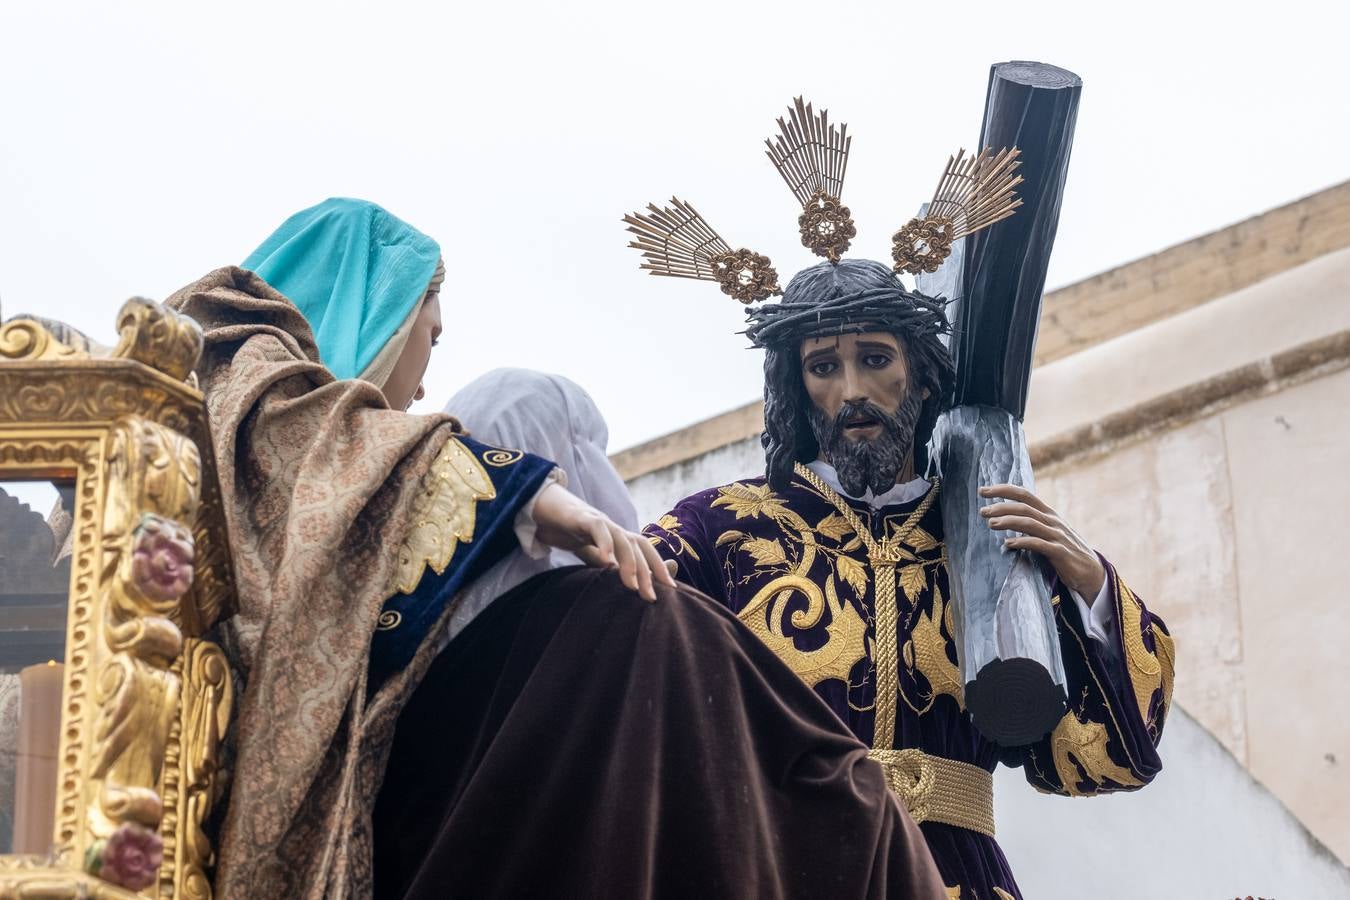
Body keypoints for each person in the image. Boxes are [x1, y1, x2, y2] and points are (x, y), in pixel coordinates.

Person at [169, 200, 947, 899]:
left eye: (875, 359)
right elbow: (645, 593)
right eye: (427, 338)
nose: (416, 391)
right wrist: (526, 493)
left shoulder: (966, 532)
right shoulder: (235, 376)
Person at [633, 106, 1176, 900]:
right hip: (782, 867)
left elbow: (1104, 760)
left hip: (956, 878)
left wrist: (1088, 583)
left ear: (919, 373)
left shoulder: (990, 539)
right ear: (796, 387)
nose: (850, 389)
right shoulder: (719, 530)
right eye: (823, 366)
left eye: (875, 358)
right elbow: (622, 655)